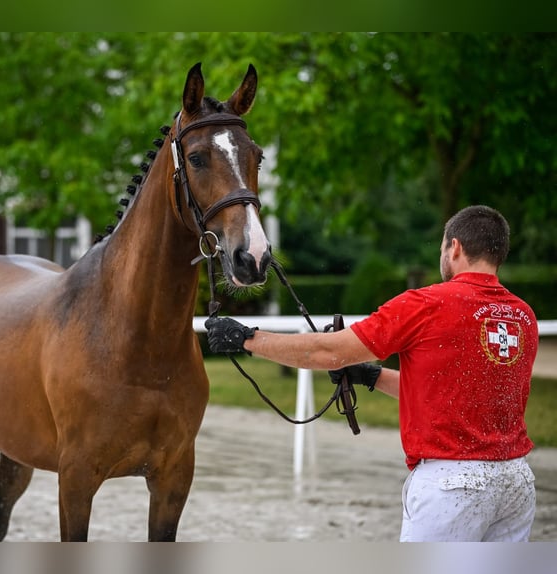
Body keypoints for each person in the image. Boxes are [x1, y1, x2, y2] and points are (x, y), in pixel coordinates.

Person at [205, 205, 538, 542]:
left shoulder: (426, 304)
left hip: (451, 486)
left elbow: (328, 351)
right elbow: (450, 391)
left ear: (454, 248)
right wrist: (371, 376)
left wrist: (247, 338)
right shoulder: (523, 316)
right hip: (516, 483)